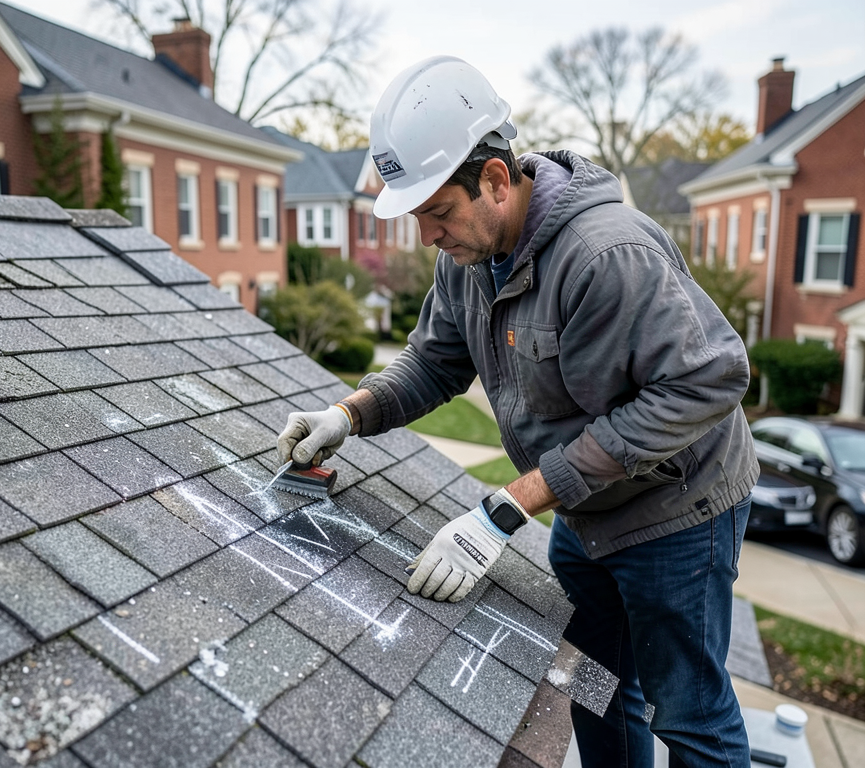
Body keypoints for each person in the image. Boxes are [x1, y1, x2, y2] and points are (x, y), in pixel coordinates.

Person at [277, 55, 759, 767]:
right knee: (596, 686)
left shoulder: (606, 255)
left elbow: (709, 380)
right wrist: (349, 413)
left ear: (497, 181)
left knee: (688, 715)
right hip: (587, 509)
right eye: (417, 216)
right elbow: (434, 364)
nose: (427, 236)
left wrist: (508, 506)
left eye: (438, 212)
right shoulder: (467, 261)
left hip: (677, 510)